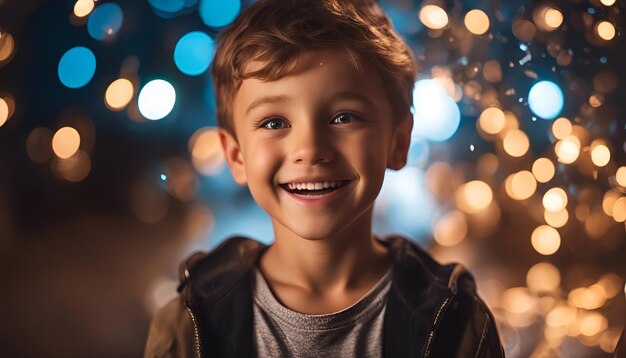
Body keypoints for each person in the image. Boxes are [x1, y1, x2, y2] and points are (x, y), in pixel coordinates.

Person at [144, 0, 504, 356]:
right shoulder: (189, 324)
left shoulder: (456, 323)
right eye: (274, 123)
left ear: (398, 141)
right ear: (236, 156)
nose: (311, 148)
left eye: (344, 117)